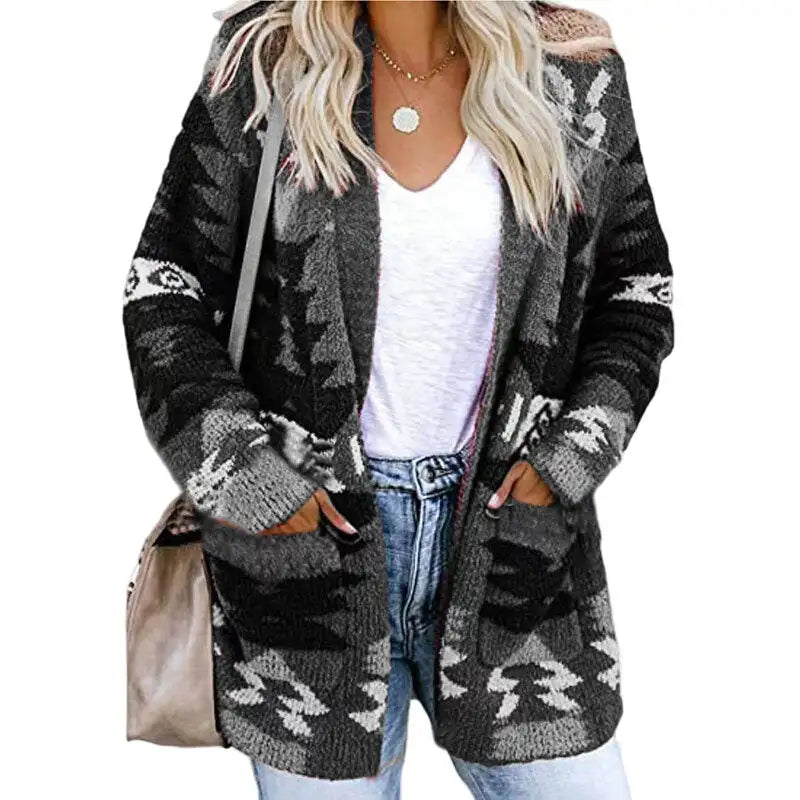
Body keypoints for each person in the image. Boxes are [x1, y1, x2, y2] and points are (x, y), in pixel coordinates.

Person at [122, 1, 673, 797]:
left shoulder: (572, 71)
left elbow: (637, 291)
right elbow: (163, 290)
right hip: (309, 569)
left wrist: (570, 457)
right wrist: (254, 481)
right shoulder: (267, 63)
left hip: (514, 556)